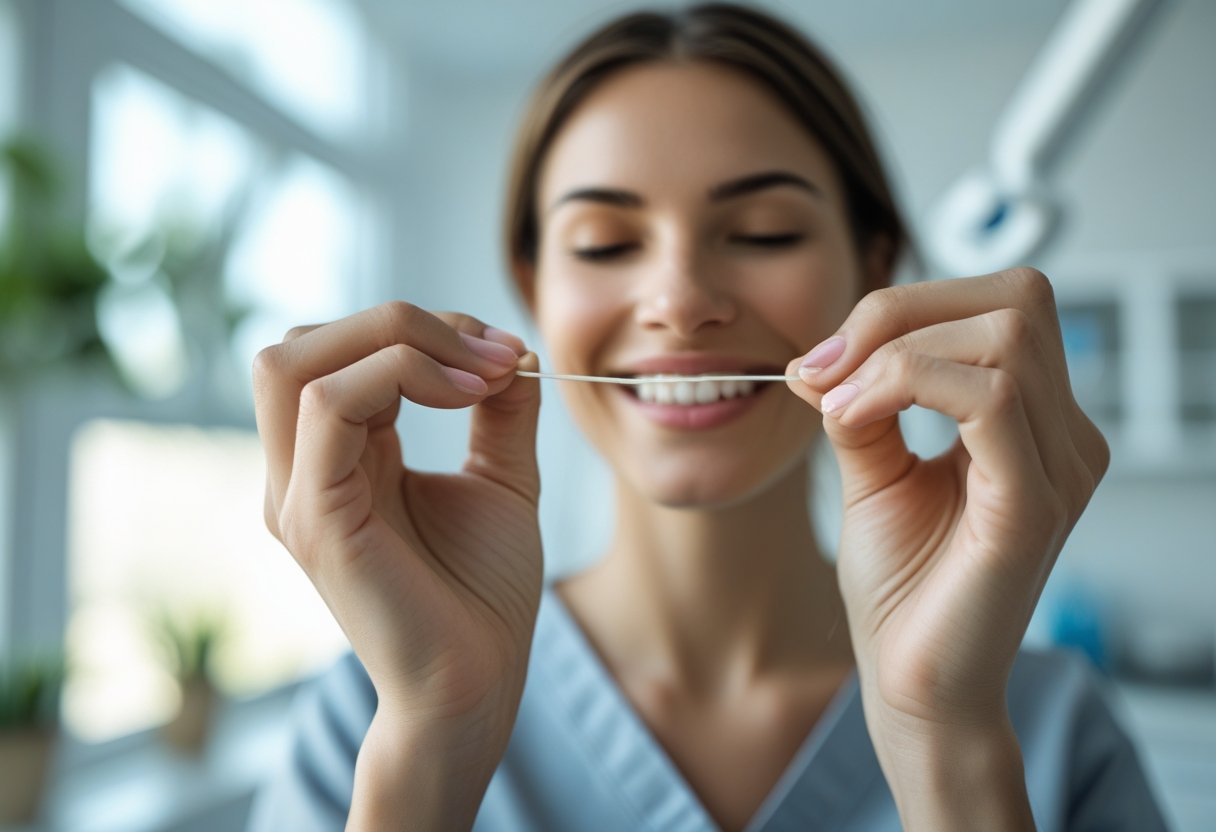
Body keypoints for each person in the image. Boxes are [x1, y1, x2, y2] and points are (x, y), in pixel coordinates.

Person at [247, 4, 1167, 830]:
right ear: (534, 288)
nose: (681, 303)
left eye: (765, 231)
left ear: (872, 266)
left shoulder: (1050, 733)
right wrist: (428, 749)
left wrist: (944, 741)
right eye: (604, 243)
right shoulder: (371, 719)